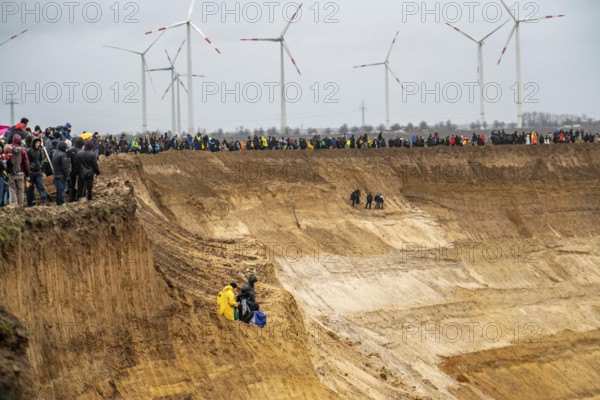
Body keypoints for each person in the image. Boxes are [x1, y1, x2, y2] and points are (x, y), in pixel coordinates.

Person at [4, 133, 30, 206]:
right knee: (20, 190)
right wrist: (28, 173)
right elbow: (26, 163)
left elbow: (4, 160)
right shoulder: (22, 150)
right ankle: (21, 205)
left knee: (12, 189)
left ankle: (14, 205)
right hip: (20, 173)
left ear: (13, 140)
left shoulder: (8, 149)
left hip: (11, 173)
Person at [26, 138, 49, 206]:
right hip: (30, 172)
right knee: (30, 188)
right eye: (36, 143)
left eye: (39, 143)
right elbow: (25, 160)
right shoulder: (29, 150)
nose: (38, 144)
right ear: (33, 143)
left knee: (41, 186)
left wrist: (41, 166)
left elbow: (41, 160)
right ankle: (30, 202)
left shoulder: (39, 150)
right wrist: (28, 168)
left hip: (38, 171)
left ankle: (45, 201)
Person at [51, 141, 71, 206]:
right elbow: (65, 166)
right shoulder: (63, 154)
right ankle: (61, 204)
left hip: (56, 174)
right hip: (61, 175)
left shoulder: (54, 153)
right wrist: (68, 175)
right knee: (61, 191)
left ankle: (58, 204)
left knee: (58, 190)